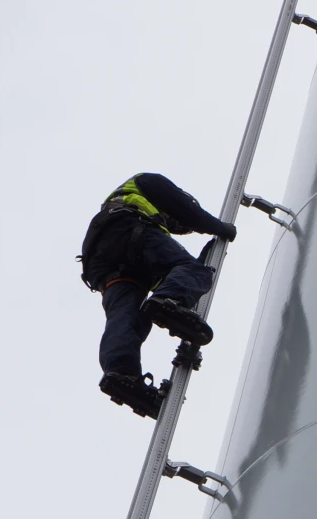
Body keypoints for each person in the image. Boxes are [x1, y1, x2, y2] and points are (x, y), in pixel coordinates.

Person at [80, 174, 237, 417]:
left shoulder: (114, 205)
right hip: (126, 228)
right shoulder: (147, 182)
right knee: (193, 270)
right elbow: (187, 212)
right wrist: (221, 229)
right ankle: (169, 301)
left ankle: (122, 373)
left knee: (126, 314)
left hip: (101, 261)